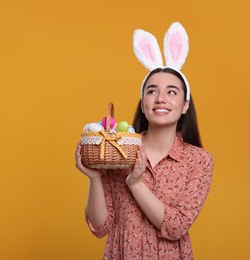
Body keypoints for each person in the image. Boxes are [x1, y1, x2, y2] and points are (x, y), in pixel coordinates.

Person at [75, 23, 214, 259]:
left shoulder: (199, 161)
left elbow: (176, 227)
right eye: (151, 91)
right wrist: (94, 177)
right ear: (143, 103)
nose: (160, 98)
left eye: (171, 92)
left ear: (185, 105)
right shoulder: (119, 148)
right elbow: (100, 227)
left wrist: (136, 183)